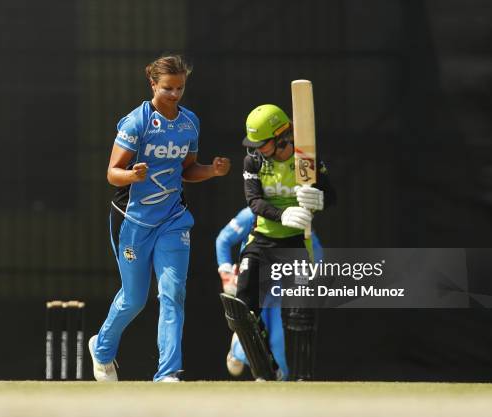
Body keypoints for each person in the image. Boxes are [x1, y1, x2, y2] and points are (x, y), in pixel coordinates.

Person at [89, 55, 231, 382]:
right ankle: (103, 348)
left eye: (180, 88)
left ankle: (167, 374)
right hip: (132, 221)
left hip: (173, 219)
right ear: (153, 84)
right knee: (134, 299)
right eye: (168, 88)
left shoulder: (189, 123)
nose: (175, 94)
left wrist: (211, 170)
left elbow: (187, 170)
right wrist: (131, 175)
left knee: (173, 293)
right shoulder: (136, 123)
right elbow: (112, 173)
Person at [219, 103, 335, 381]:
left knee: (298, 311)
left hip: (295, 243)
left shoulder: (305, 161)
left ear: (282, 136)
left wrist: (319, 199)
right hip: (261, 241)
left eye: (262, 143)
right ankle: (264, 369)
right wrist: (283, 214)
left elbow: (331, 196)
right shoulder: (254, 162)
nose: (256, 149)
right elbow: (254, 202)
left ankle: (302, 377)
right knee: (244, 307)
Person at [216, 207, 324, 380]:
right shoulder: (250, 215)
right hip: (254, 285)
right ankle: (238, 350)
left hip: (280, 290)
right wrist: (226, 272)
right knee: (253, 333)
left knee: (278, 347)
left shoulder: (297, 216)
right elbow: (223, 240)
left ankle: (274, 388)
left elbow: (315, 253)